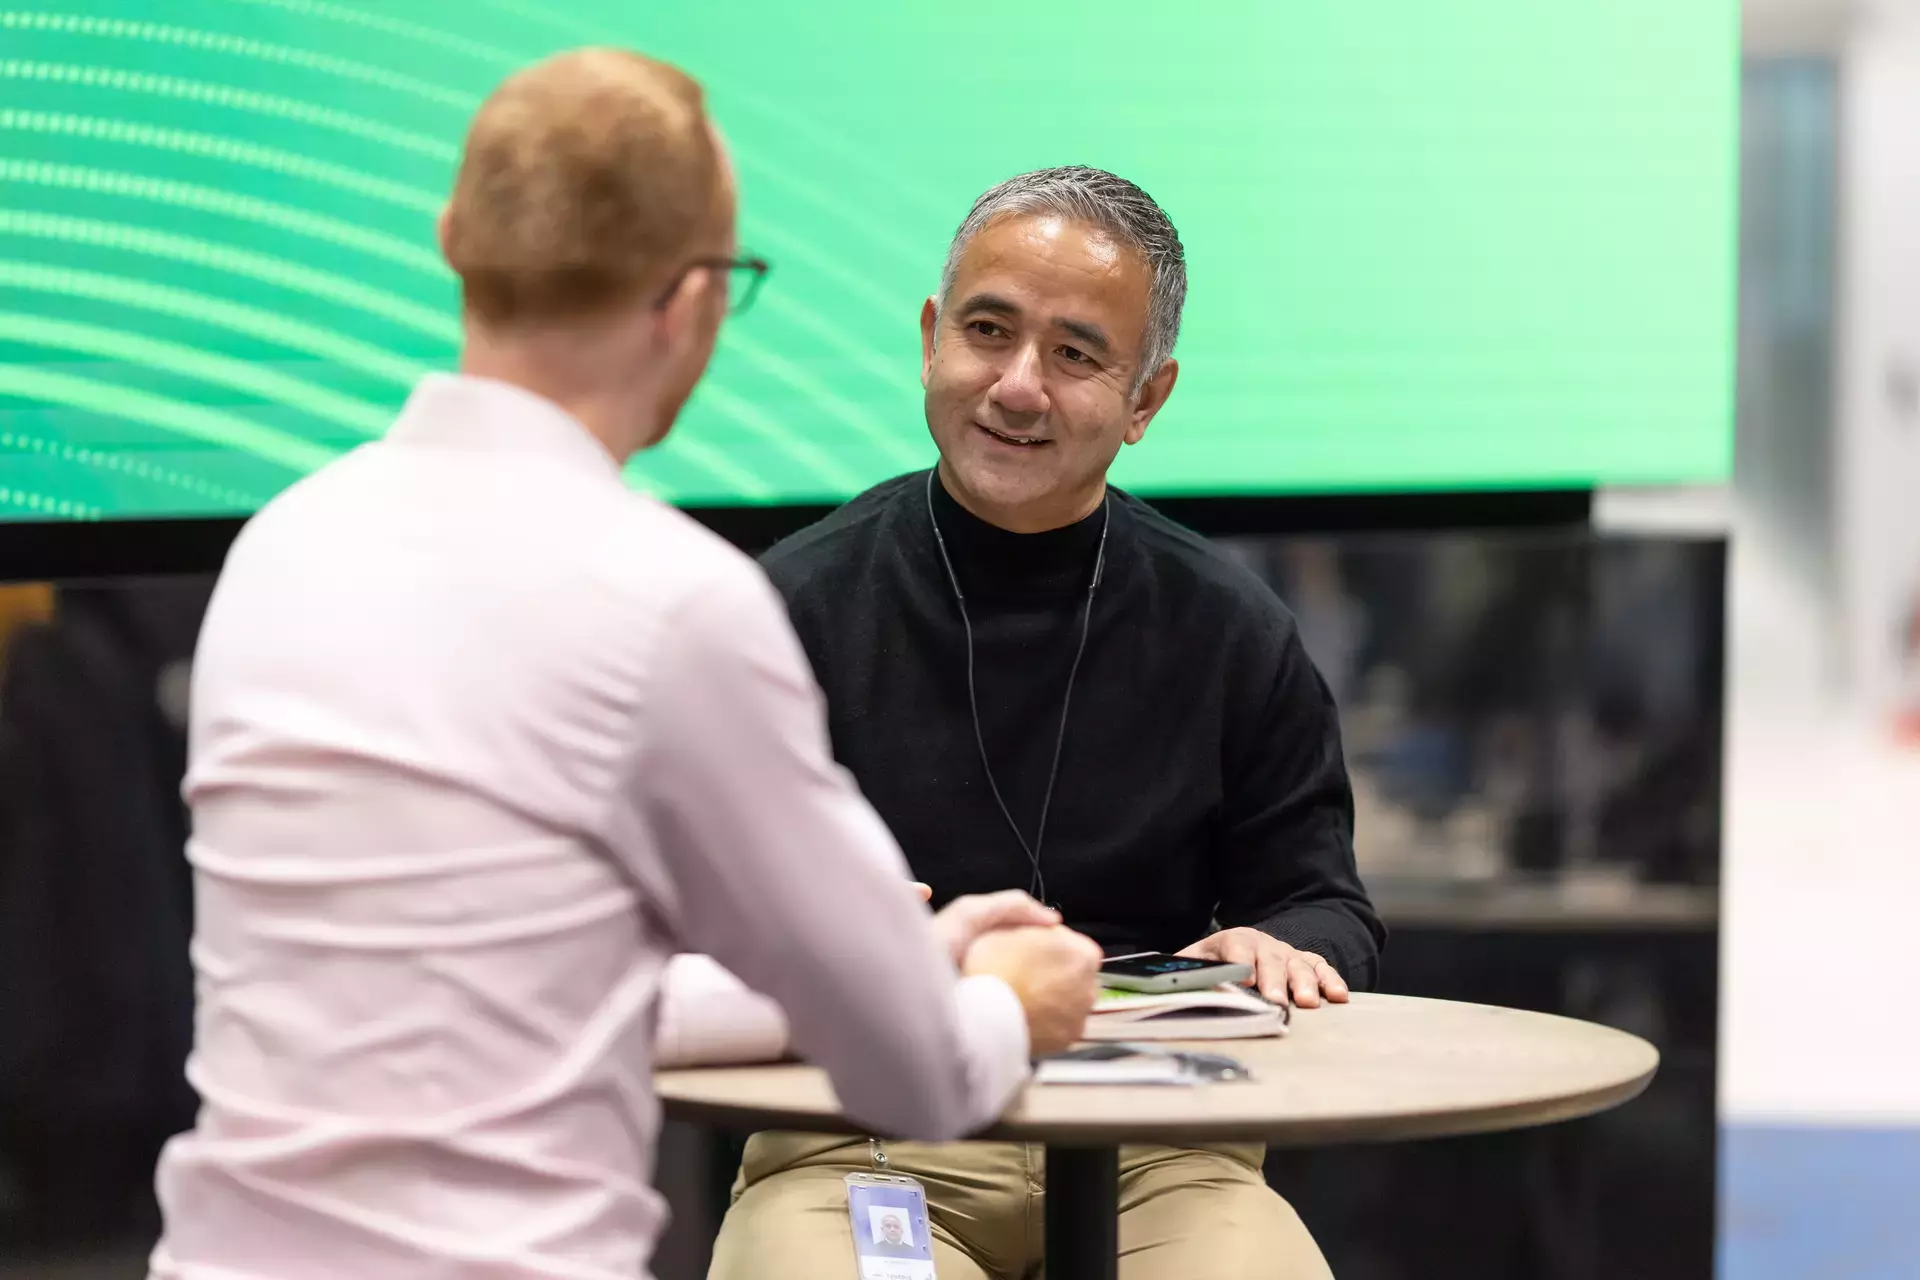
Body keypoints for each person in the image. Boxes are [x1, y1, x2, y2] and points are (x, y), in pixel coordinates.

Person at [147, 52, 1103, 1280]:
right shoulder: (674, 603)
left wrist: (916, 956)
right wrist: (1009, 999)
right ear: (693, 300)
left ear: (453, 240)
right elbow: (915, 1070)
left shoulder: (277, 551)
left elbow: (528, 988)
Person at [705, 167, 1386, 1280]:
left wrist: (1288, 941)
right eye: (987, 330)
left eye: (1075, 354)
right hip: (863, 1130)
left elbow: (1321, 898)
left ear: (1146, 399)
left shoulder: (1230, 627)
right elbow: (690, 909)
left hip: (1165, 1145)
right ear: (931, 338)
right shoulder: (787, 609)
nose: (1017, 386)